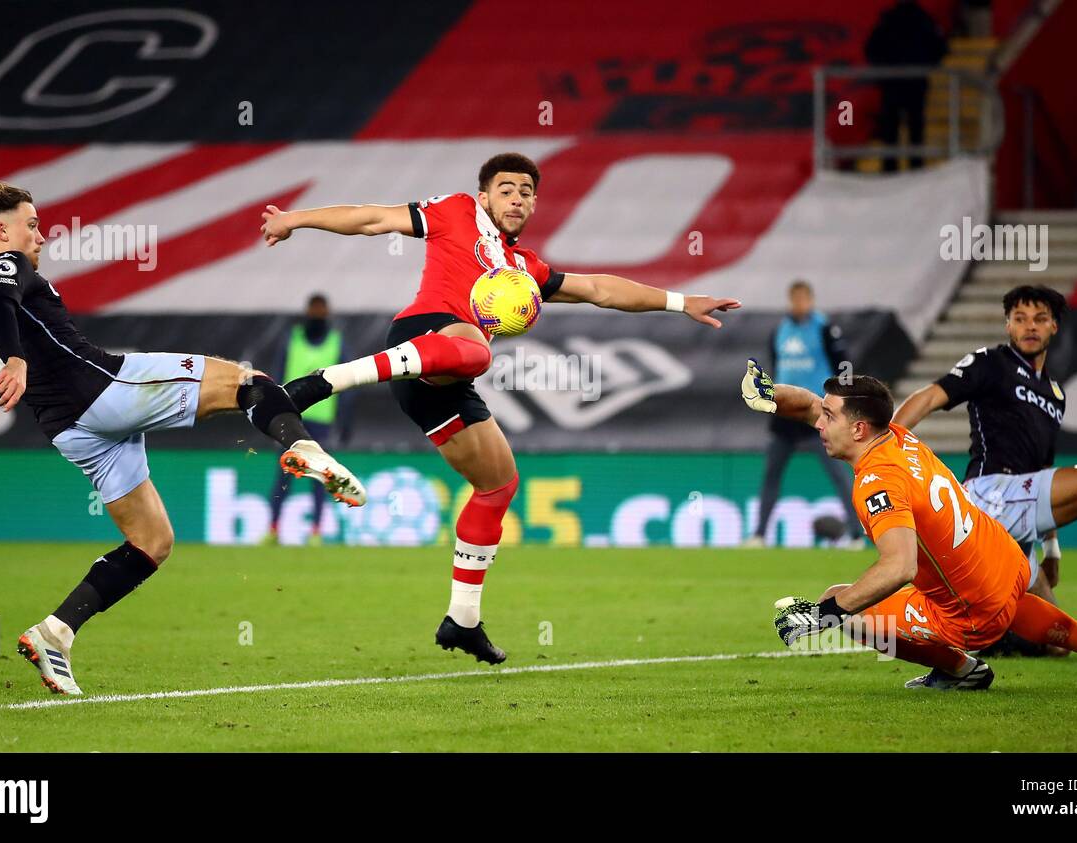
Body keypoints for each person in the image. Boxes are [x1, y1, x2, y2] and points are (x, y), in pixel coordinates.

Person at [260, 152, 741, 664]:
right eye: (507, 188)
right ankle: (319, 384)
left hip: (449, 375)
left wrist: (679, 301)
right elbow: (374, 218)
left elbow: (600, 289)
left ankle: (462, 620)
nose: (517, 197)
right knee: (478, 349)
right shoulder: (456, 211)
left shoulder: (525, 269)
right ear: (485, 195)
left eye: (527, 191)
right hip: (425, 336)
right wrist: (295, 219)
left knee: (498, 484)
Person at [0, 181, 363, 696]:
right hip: (103, 389)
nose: (40, 235)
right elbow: (2, 299)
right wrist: (16, 356)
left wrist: (17, 357)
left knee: (152, 542)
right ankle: (302, 446)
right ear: (1, 230)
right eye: (32, 224)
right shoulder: (1, 267)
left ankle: (55, 632)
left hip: (69, 428)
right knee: (249, 382)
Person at [741, 365, 1077, 694]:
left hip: (970, 614)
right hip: (1005, 561)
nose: (819, 424)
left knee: (842, 602)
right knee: (1004, 602)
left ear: (858, 430)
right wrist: (767, 395)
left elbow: (899, 566)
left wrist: (825, 616)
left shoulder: (877, 481)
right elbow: (810, 405)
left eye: (829, 418)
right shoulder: (896, 437)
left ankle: (960, 669)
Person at [892, 285, 1077, 654]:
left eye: (1040, 319)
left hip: (1022, 513)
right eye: (1020, 319)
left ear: (1054, 327)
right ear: (1008, 325)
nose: (1029, 326)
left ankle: (990, 639)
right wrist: (888, 447)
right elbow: (929, 397)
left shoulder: (1055, 394)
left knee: (1057, 643)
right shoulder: (990, 362)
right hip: (991, 496)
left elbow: (1043, 468)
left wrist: (1052, 549)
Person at [746, 280, 863, 548]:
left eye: (803, 299)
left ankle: (857, 534)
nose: (799, 304)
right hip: (785, 413)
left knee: (838, 472)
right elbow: (776, 365)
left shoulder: (825, 329)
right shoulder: (780, 330)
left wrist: (840, 401)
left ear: (810, 300)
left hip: (816, 412)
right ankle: (759, 534)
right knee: (772, 473)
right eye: (795, 299)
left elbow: (843, 363)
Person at [262, 294, 355, 546]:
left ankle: (315, 530)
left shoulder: (336, 342)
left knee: (321, 477)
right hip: (291, 418)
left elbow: (348, 381)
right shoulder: (292, 339)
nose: (316, 316)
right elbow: (276, 378)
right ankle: (273, 528)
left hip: (321, 422)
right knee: (284, 475)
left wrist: (344, 420)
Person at [864, 0, 947, 172]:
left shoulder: (890, 19)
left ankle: (890, 169)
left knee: (892, 130)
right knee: (914, 129)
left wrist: (883, 70)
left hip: (894, 85)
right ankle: (915, 167)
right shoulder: (923, 20)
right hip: (913, 84)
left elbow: (871, 48)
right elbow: (941, 48)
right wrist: (926, 66)